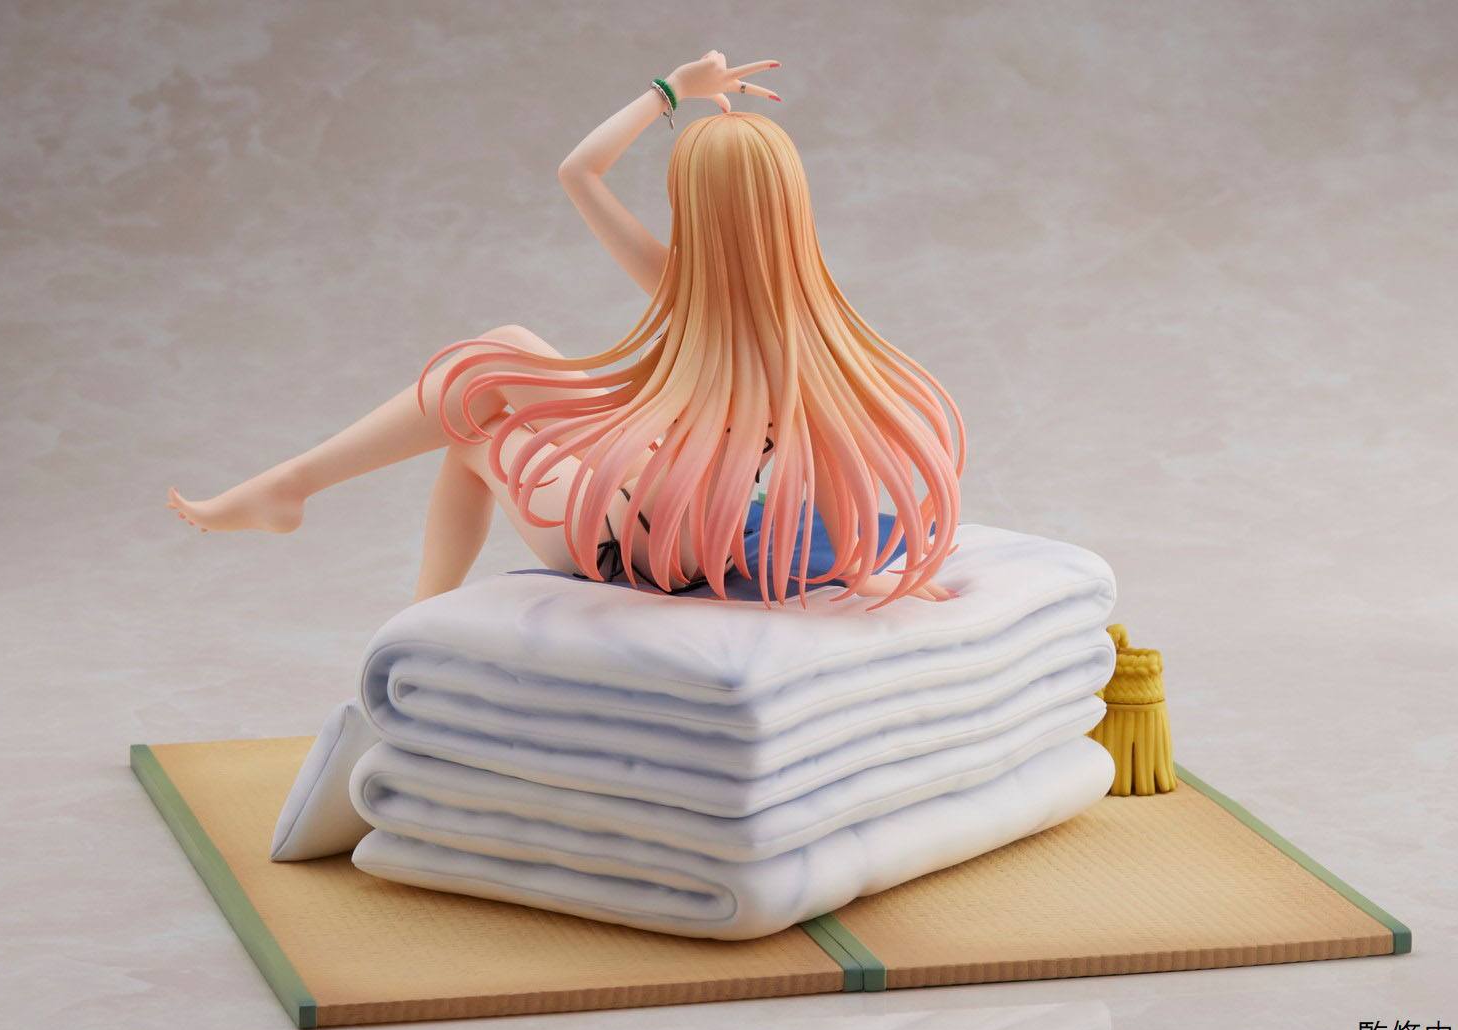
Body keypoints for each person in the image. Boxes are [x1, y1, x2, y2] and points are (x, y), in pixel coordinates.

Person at [167, 51, 966, 611]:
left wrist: (672, 90)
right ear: (790, 206)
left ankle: (315, 512)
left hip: (643, 540)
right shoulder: (809, 326)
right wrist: (858, 569)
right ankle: (388, 590)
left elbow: (578, 171)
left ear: (693, 206)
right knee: (479, 404)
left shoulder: (691, 291)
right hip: (669, 516)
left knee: (488, 385)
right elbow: (833, 474)